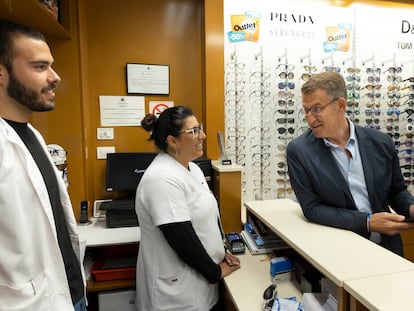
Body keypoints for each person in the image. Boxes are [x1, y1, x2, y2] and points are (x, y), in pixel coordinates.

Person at [0, 19, 86, 310]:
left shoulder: (31, 134)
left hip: (70, 293)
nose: (55, 77)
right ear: (1, 73)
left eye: (51, 65)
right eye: (39, 67)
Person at [286, 71, 414, 256]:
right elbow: (312, 209)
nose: (310, 118)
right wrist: (367, 222)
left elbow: (397, 191)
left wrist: (410, 206)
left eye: (316, 109)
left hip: (387, 249)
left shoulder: (381, 143)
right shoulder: (299, 151)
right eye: (306, 110)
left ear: (340, 105)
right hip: (339, 253)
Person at [136, 106, 240, 311]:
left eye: (199, 128)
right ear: (172, 141)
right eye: (193, 131)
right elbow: (181, 238)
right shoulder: (161, 178)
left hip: (200, 285)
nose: (203, 135)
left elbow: (209, 218)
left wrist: (222, 252)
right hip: (176, 296)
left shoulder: (192, 168)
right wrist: (216, 272)